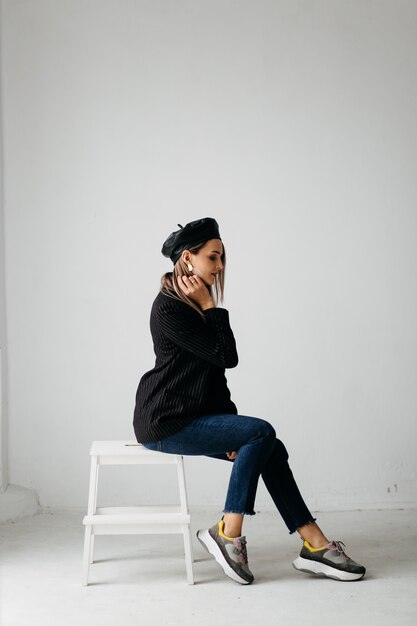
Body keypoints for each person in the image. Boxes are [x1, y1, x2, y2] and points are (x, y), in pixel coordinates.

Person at [133, 217, 366, 585]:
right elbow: (227, 356)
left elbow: (213, 376)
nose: (221, 266)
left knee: (269, 446)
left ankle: (314, 544)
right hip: (166, 420)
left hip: (194, 415)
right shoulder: (170, 307)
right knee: (262, 433)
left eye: (222, 257)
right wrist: (211, 305)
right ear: (188, 259)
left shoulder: (191, 304)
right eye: (214, 257)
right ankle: (227, 533)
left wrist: (231, 430)